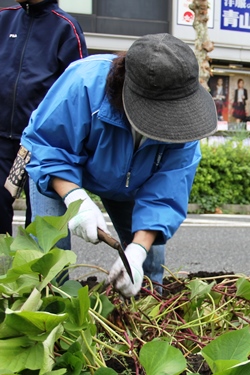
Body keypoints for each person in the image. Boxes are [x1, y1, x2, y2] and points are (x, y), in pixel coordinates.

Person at [21, 33, 217, 297]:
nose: (167, 124)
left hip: (132, 185)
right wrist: (75, 197)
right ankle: (50, 308)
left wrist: (136, 251)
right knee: (48, 256)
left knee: (147, 269)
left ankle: (143, 321)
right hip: (59, 175)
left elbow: (166, 193)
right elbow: (48, 147)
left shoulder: (185, 125)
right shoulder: (83, 83)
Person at [0, 0, 87, 235]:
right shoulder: (4, 18)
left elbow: (78, 90)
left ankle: (42, 273)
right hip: (1, 138)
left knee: (42, 221)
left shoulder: (66, 27)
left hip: (43, 144)